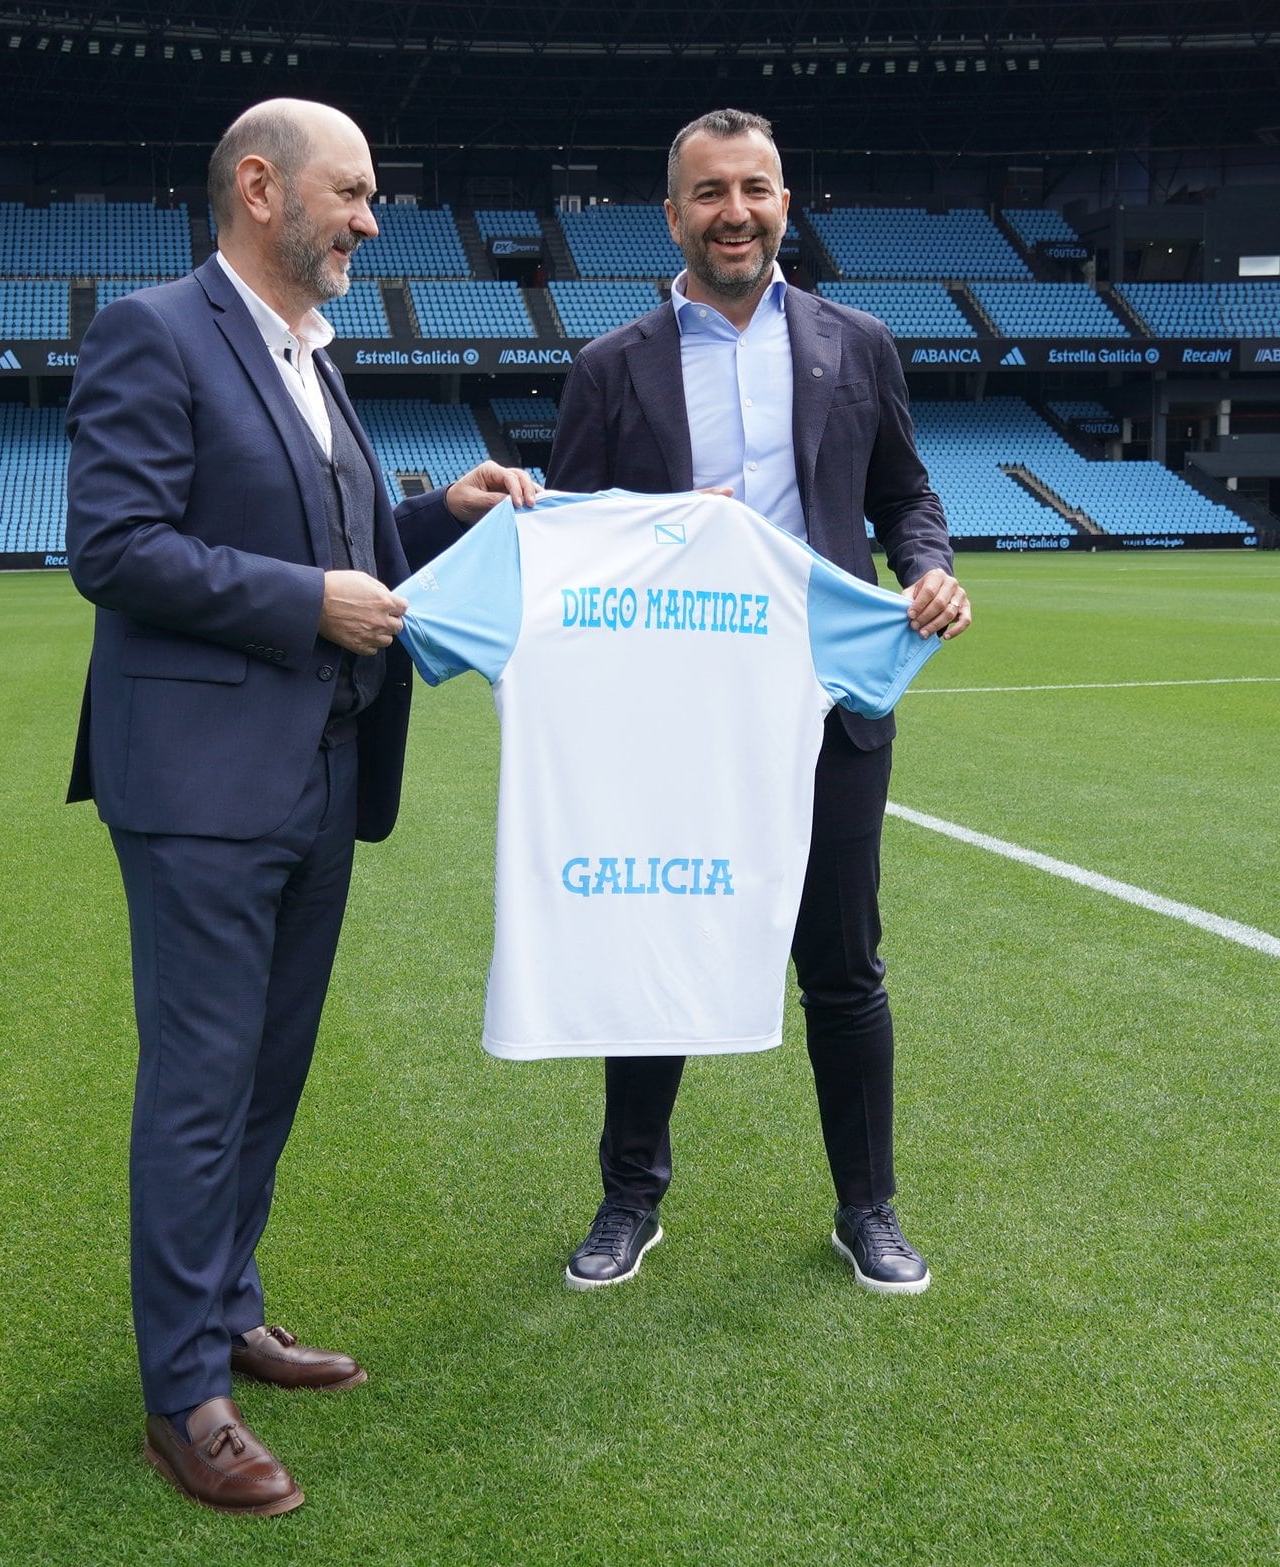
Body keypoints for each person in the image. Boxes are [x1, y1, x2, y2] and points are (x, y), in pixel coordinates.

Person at [65, 98, 534, 1515]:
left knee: (265, 1078)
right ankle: (180, 1394)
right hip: (202, 788)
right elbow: (115, 543)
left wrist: (435, 514)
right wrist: (305, 602)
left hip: (320, 774)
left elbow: (346, 548)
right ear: (259, 188)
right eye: (353, 192)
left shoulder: (312, 353)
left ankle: (228, 1304)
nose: (371, 219)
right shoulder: (154, 330)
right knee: (200, 1087)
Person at [546, 107, 971, 1299]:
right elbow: (574, 540)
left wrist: (928, 566)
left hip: (827, 706)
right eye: (709, 193)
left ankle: (868, 1210)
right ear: (670, 212)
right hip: (672, 716)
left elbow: (906, 493)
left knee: (843, 965)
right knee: (654, 950)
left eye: (756, 188)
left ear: (786, 200)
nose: (735, 212)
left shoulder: (857, 342)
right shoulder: (608, 366)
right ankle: (630, 1198)